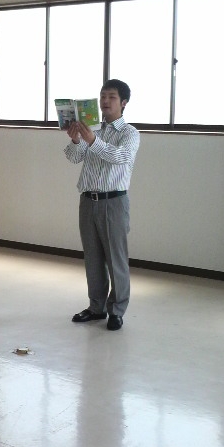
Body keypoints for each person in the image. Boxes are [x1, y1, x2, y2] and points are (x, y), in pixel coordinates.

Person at [63, 79, 140, 331]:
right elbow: (73, 158)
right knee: (92, 258)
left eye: (112, 97)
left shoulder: (129, 133)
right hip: (88, 201)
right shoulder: (93, 129)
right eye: (103, 96)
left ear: (123, 103)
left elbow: (121, 157)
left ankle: (116, 310)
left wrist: (93, 140)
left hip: (113, 202)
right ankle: (96, 307)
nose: (105, 101)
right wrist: (77, 140)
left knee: (116, 259)